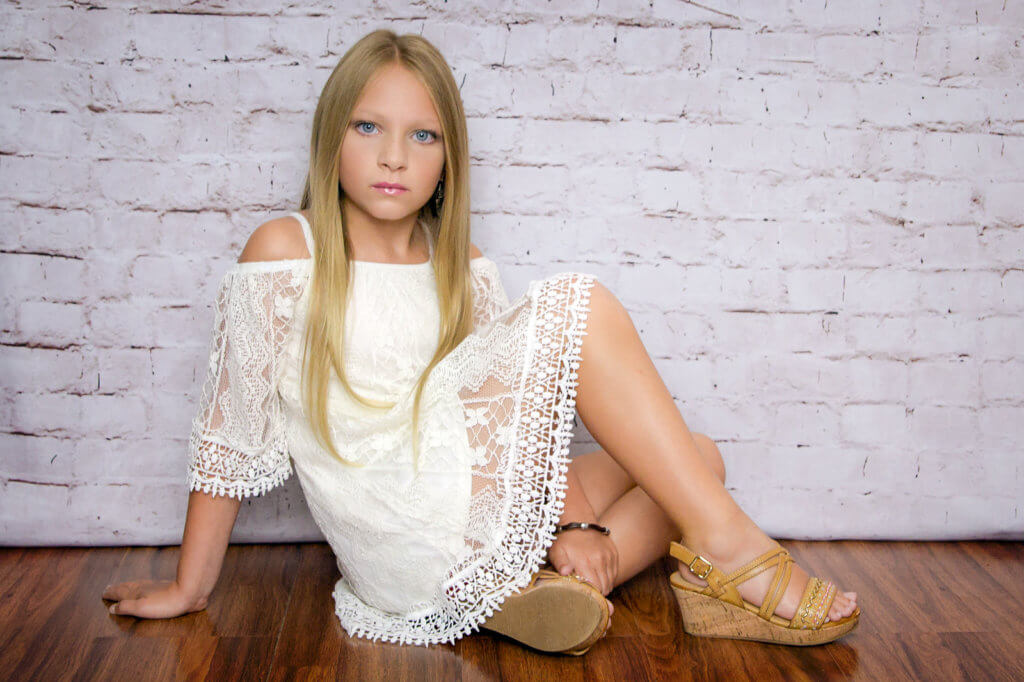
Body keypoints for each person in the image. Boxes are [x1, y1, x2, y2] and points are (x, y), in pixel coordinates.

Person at [102, 29, 859, 653]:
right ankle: (728, 554)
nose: (394, 156)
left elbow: (499, 423)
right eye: (369, 127)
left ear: (446, 160)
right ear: (331, 137)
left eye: (421, 135)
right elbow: (226, 436)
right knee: (584, 308)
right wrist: (188, 586)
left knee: (697, 456)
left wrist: (576, 519)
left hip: (456, 498)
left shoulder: (458, 264)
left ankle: (563, 577)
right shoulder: (284, 249)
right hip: (394, 520)